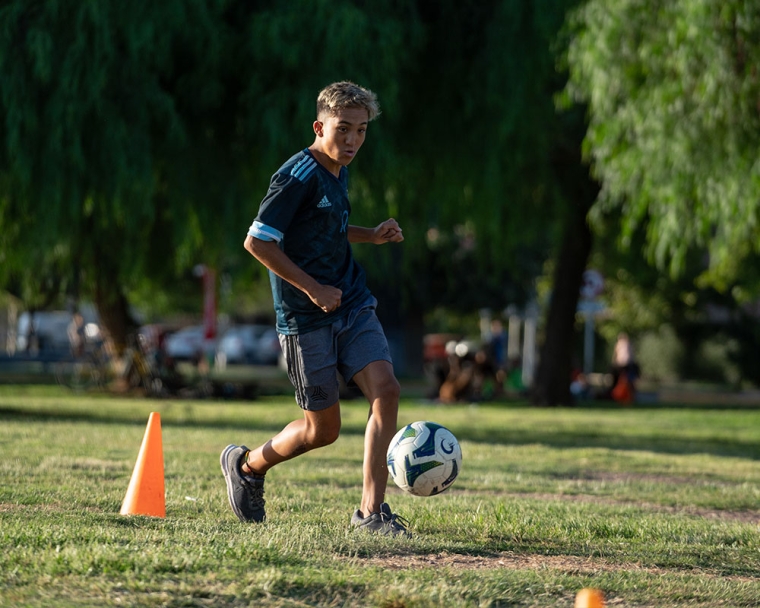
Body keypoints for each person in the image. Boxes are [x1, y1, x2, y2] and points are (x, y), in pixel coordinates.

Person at [221, 81, 409, 536]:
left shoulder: (339, 170)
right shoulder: (296, 175)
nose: (352, 141)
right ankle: (247, 466)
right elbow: (258, 241)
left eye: (361, 131)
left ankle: (371, 513)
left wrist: (371, 234)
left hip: (352, 301)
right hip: (305, 318)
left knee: (386, 388)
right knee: (322, 431)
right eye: (343, 129)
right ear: (319, 125)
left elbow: (324, 228)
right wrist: (312, 289)